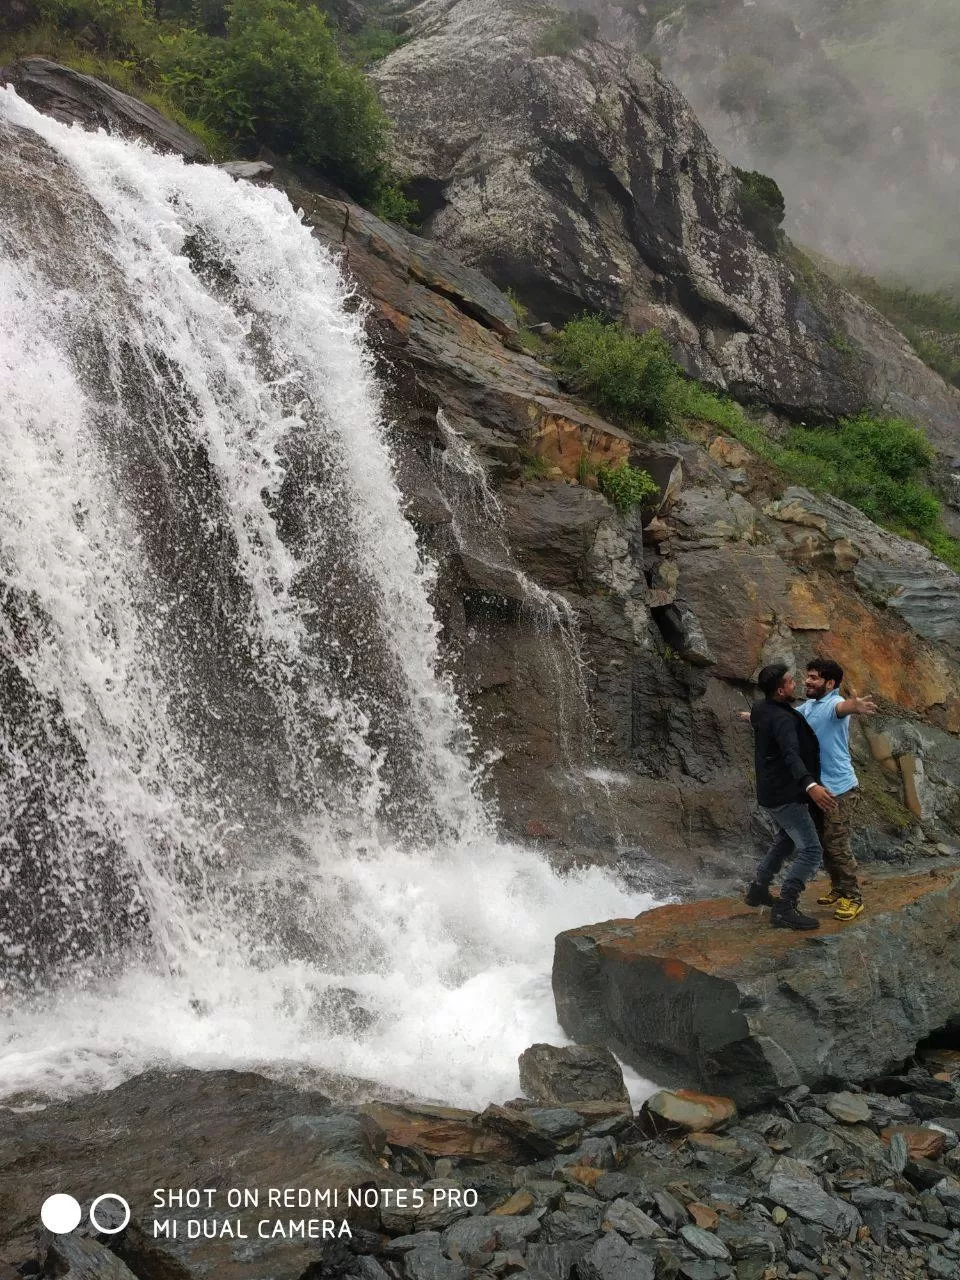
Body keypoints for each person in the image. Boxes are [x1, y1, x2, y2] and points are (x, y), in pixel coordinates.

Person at [744, 662, 836, 930]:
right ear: (780, 691)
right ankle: (785, 907)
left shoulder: (762, 708)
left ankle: (758, 889)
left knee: (786, 839)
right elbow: (790, 754)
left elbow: (762, 724)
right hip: (785, 794)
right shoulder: (782, 718)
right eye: (789, 681)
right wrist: (810, 785)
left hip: (770, 790)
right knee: (811, 850)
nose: (795, 683)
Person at [796, 658, 876, 920]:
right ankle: (838, 888)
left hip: (840, 790)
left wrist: (854, 706)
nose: (807, 681)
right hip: (818, 789)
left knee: (837, 844)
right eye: (807, 676)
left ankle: (854, 897)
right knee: (825, 843)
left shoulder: (832, 705)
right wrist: (757, 717)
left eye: (814, 678)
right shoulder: (809, 706)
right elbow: (785, 719)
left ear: (829, 684)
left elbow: (843, 708)